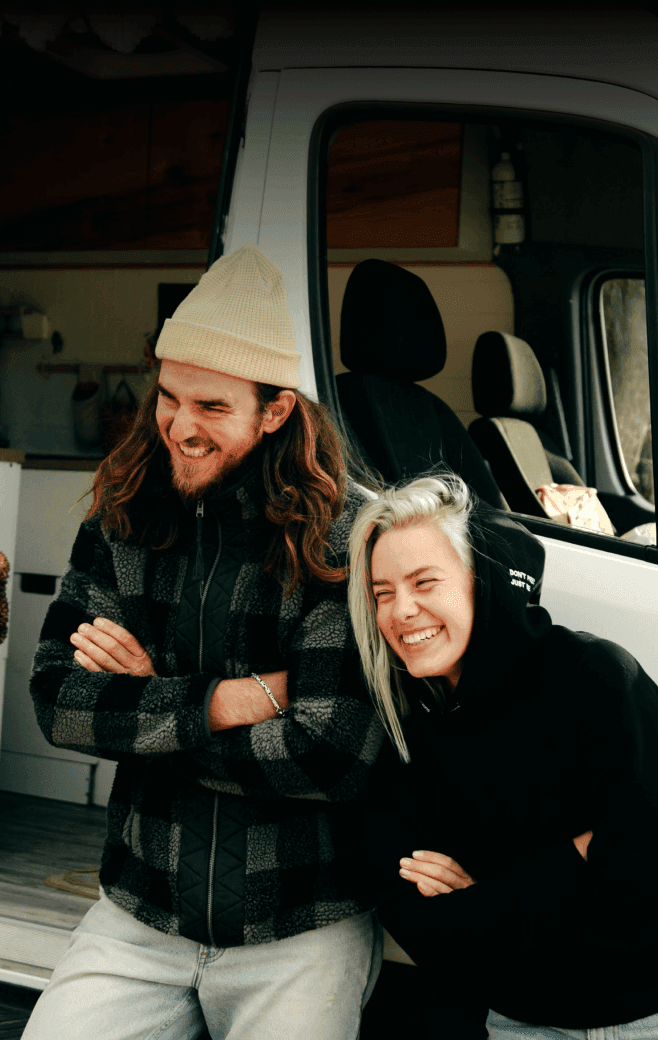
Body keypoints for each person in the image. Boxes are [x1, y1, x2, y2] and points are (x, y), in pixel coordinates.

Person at [24, 246, 384, 1040]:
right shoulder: (123, 513)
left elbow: (333, 755)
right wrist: (234, 699)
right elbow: (60, 704)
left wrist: (149, 708)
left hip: (303, 923)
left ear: (276, 410)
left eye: (212, 407)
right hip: (139, 912)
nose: (179, 428)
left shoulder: (345, 536)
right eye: (169, 397)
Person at [347, 472, 658, 1040]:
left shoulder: (597, 681)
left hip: (635, 1019)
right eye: (382, 592)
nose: (401, 611)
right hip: (514, 1021)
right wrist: (573, 859)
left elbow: (639, 880)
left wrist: (481, 892)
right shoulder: (401, 728)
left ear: (481, 582)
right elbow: (417, 918)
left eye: (424, 582)